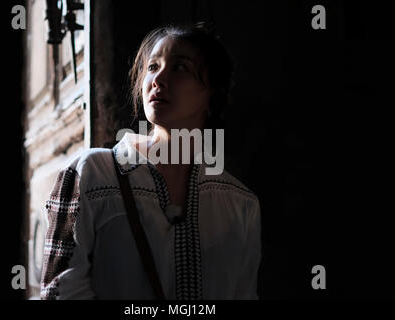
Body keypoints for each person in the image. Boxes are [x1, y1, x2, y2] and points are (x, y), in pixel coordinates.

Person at [40, 22, 261, 300]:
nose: (157, 80)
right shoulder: (91, 173)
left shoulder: (240, 202)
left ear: (211, 93)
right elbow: (59, 292)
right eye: (153, 67)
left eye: (179, 67)